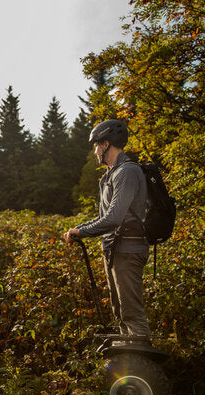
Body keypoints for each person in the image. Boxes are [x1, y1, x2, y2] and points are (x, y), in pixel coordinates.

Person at [63, 119, 150, 339]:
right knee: (120, 312)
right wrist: (79, 229)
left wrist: (81, 232)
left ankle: (145, 368)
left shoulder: (126, 172)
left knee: (132, 314)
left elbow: (114, 219)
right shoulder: (111, 176)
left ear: (106, 144)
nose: (94, 152)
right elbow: (105, 217)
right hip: (115, 250)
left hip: (128, 250)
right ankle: (127, 361)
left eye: (96, 145)